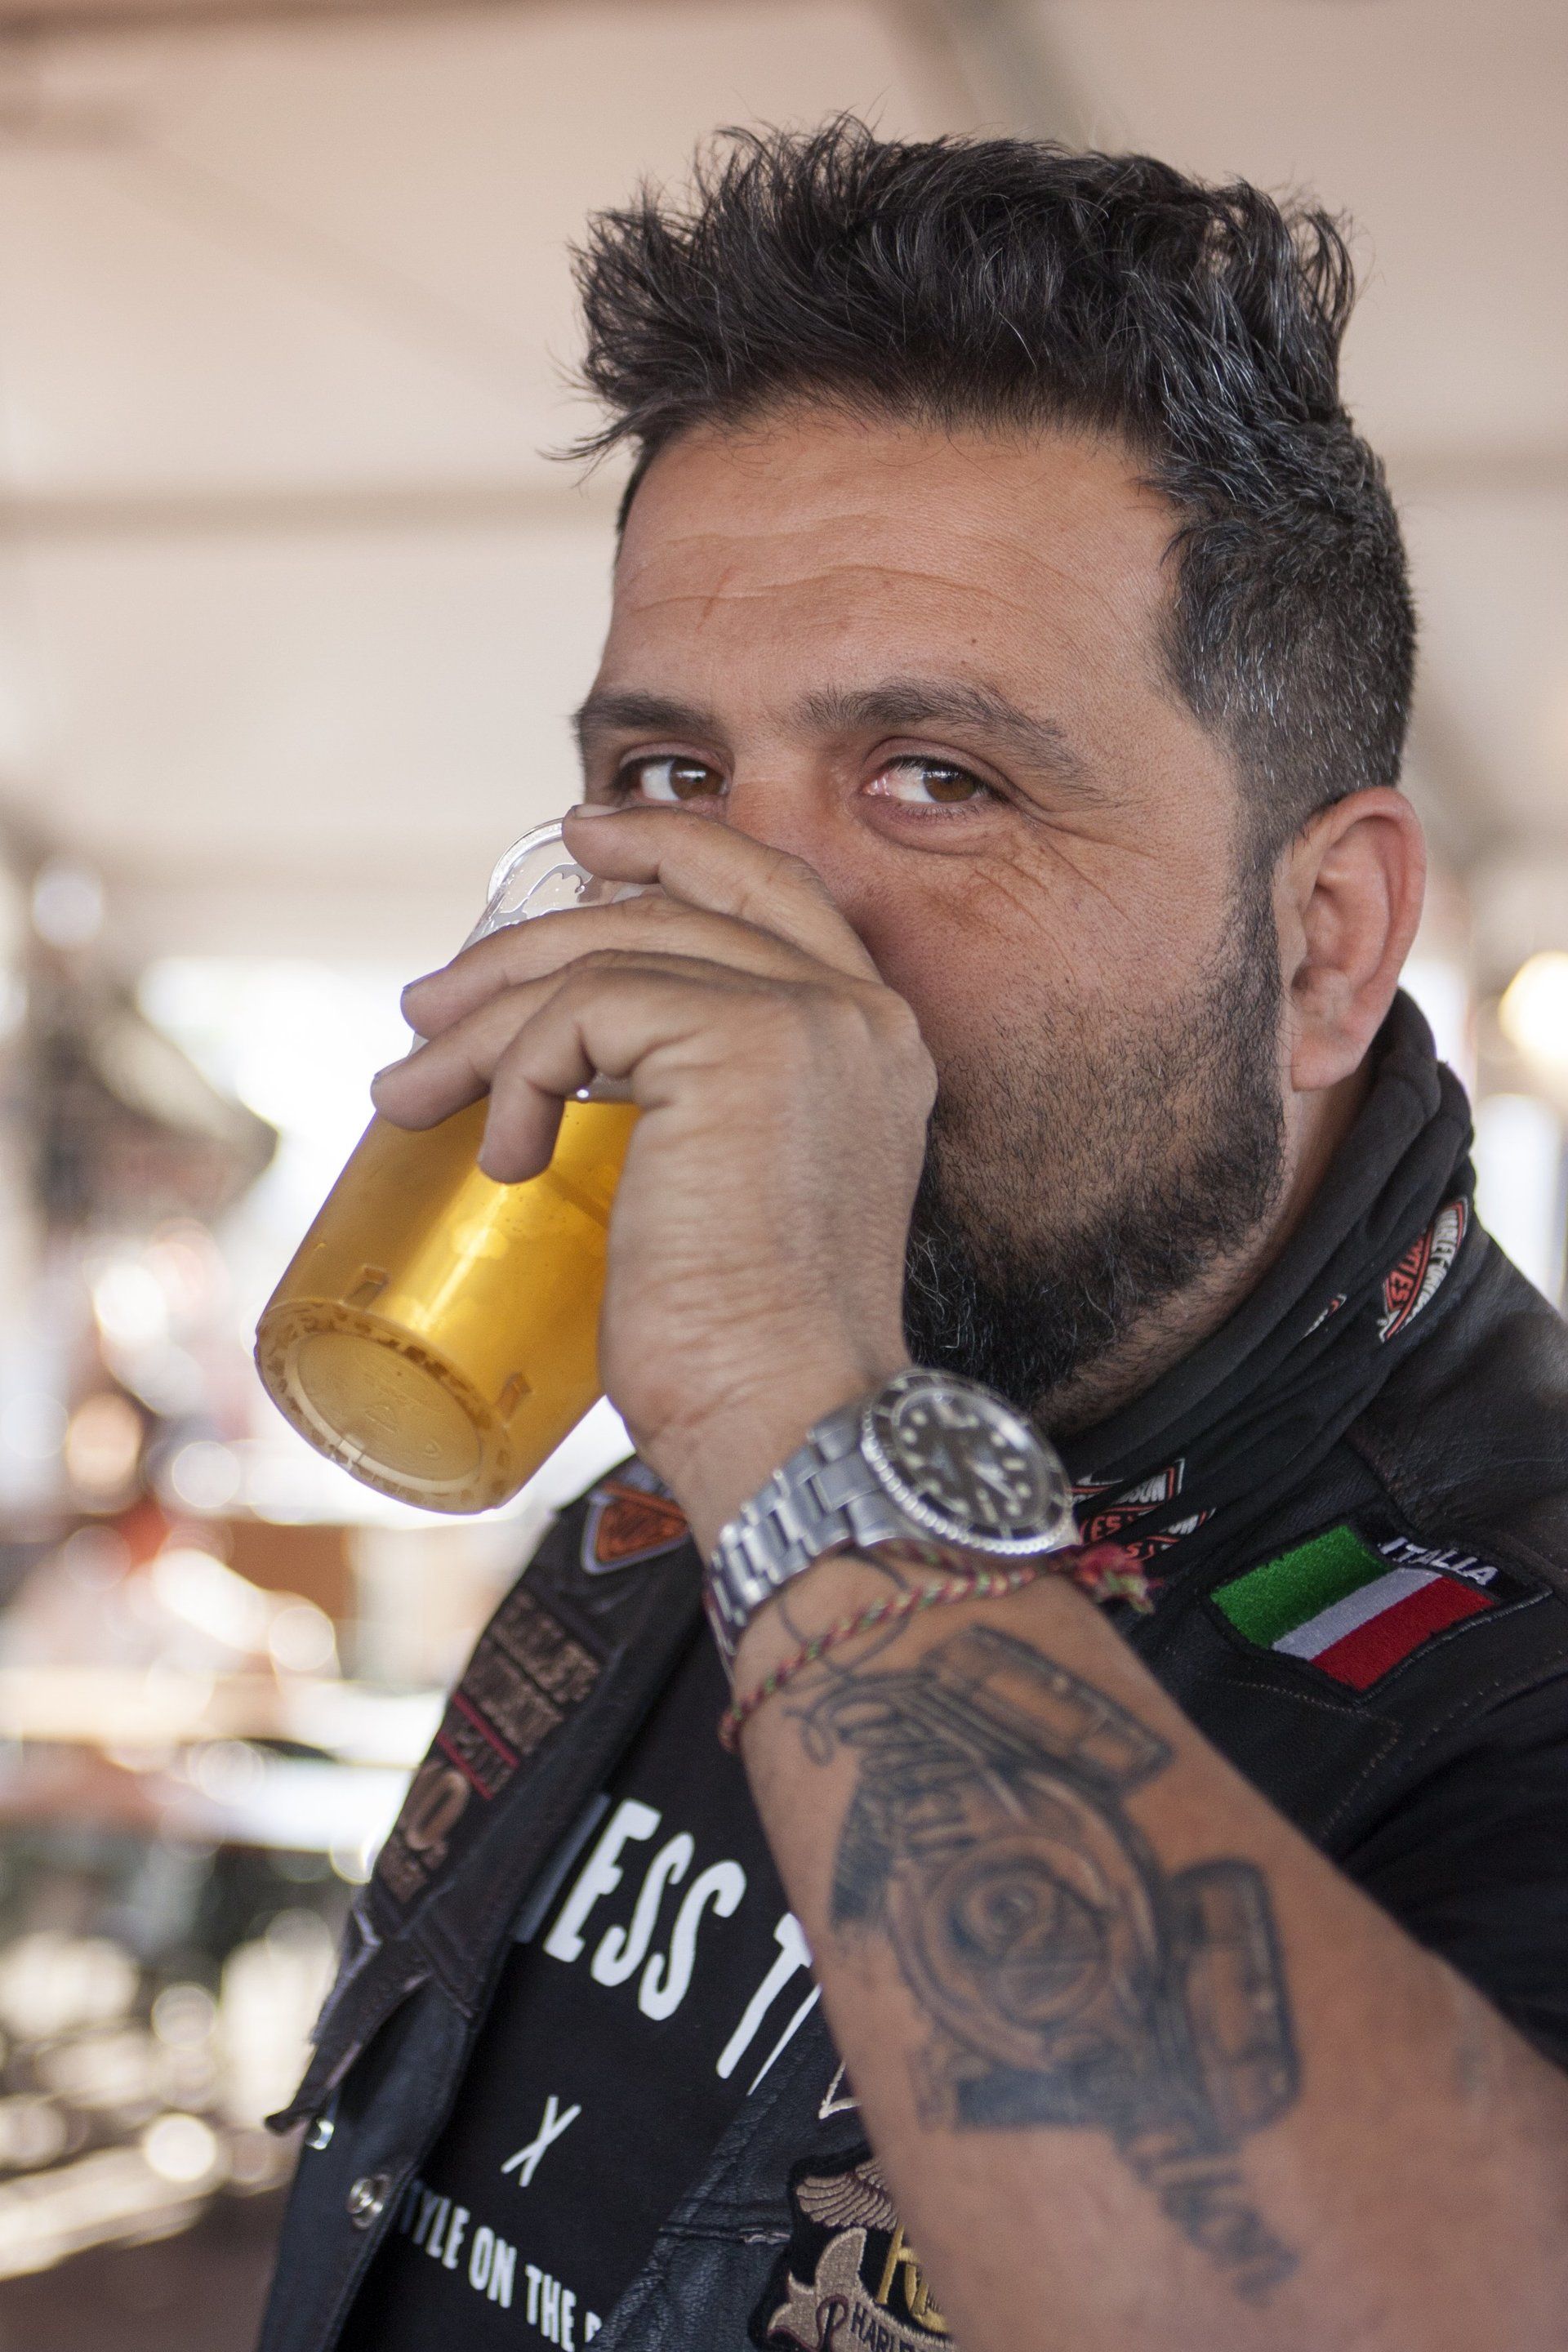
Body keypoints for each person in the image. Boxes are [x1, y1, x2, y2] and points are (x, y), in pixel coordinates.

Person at [257, 127, 1568, 2352]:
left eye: (938, 780)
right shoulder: (677, 1468)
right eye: (672, 782)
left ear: (1326, 939)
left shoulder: (1510, 1654)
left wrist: (802, 1420)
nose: (738, 931)